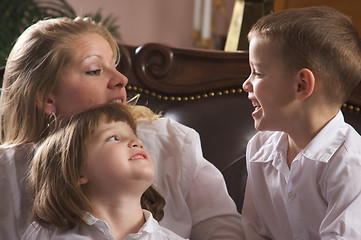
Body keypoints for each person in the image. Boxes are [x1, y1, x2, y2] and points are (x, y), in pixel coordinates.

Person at [0, 17, 242, 240]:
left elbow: (223, 232)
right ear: (46, 98)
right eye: (94, 70)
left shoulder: (172, 142)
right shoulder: (8, 170)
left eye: (114, 66)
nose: (121, 79)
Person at [241, 6, 361, 239]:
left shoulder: (350, 163)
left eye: (257, 72)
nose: (246, 84)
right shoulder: (258, 149)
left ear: (301, 85)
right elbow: (254, 231)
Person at [22, 102, 187, 240]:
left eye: (136, 138)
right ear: (77, 170)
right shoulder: (47, 235)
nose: (136, 142)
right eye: (114, 138)